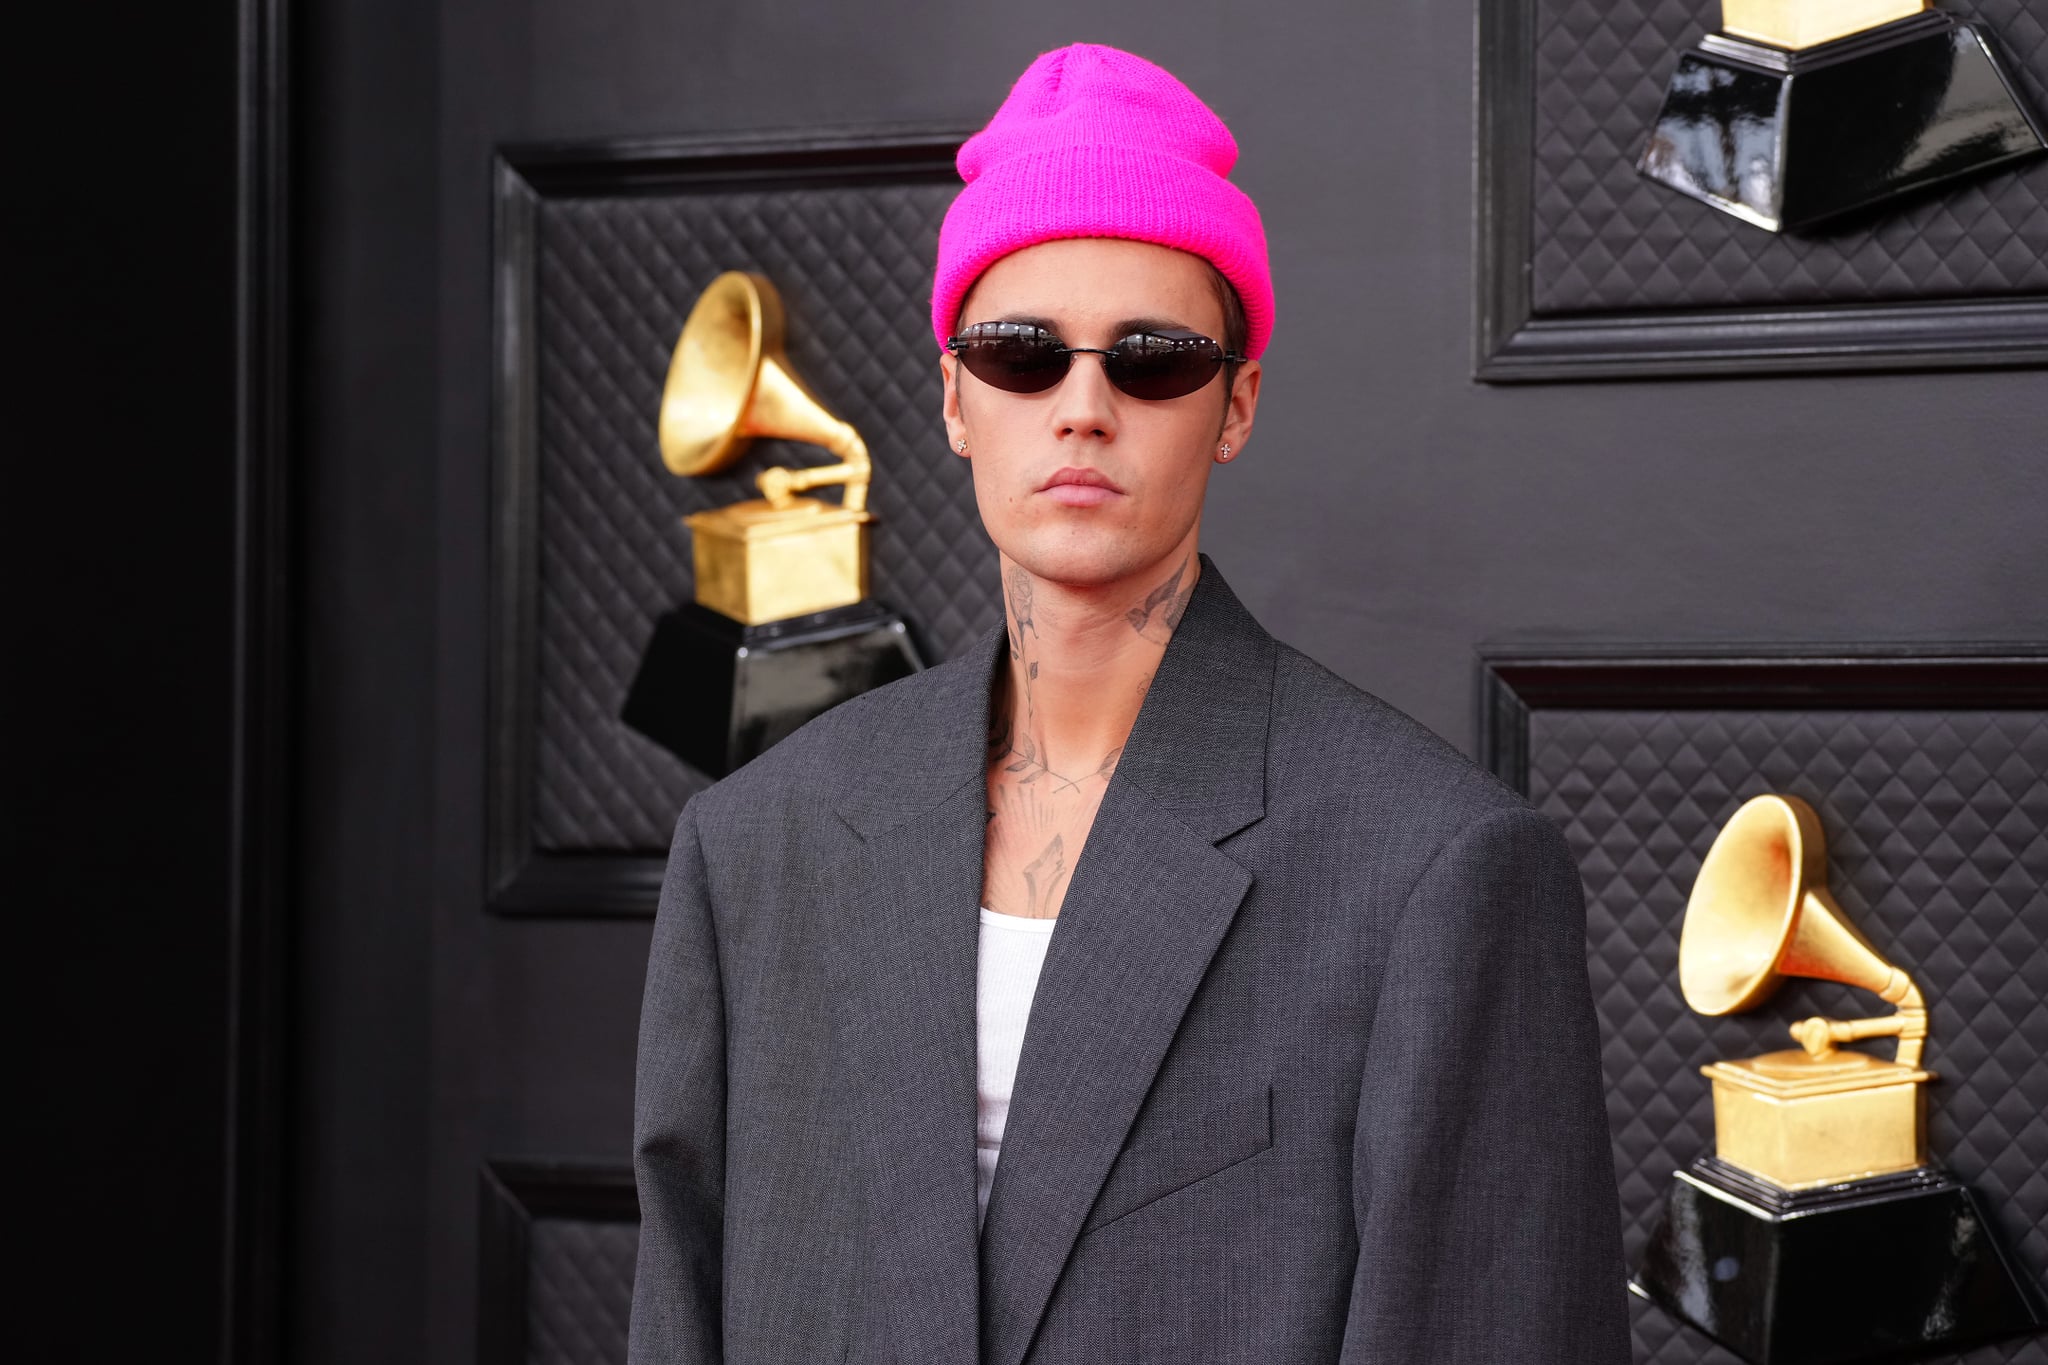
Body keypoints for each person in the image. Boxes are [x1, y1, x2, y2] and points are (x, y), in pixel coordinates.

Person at [628, 43, 1628, 1365]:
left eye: (1152, 360)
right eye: (1020, 355)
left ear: (1236, 405)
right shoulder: (761, 847)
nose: (1084, 408)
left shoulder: (1433, 869)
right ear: (953, 398)